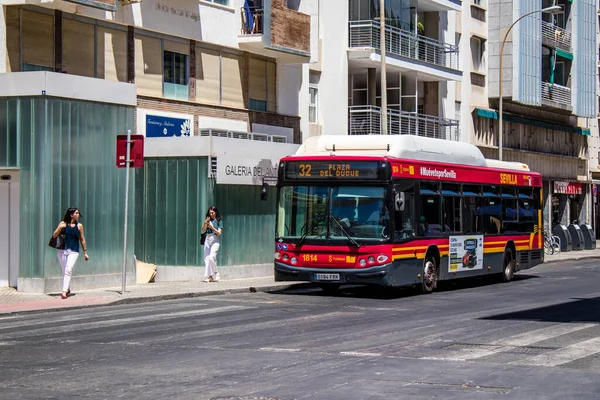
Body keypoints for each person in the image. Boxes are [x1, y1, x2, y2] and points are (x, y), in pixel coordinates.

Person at [51, 207, 89, 299]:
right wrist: (59, 228)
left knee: (68, 269)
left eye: (78, 213)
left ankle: (63, 292)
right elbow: (54, 235)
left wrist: (85, 252)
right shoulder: (63, 224)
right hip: (62, 250)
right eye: (76, 213)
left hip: (74, 251)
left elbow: (82, 239)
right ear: (71, 214)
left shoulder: (79, 226)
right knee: (64, 271)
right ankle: (67, 288)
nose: (77, 215)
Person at [201, 206, 223, 283]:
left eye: (212, 212)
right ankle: (209, 276)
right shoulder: (208, 220)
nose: (211, 214)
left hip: (215, 239)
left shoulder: (218, 220)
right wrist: (205, 223)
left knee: (211, 257)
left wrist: (212, 227)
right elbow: (203, 230)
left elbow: (219, 233)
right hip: (207, 238)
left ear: (215, 212)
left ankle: (216, 273)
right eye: (210, 213)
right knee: (207, 258)